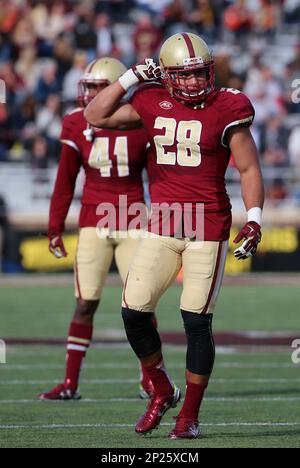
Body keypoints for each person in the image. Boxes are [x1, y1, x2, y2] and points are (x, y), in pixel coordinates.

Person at [84, 33, 264, 439]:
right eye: (183, 76)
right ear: (165, 76)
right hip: (162, 224)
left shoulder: (228, 106)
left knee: (195, 321)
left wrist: (254, 218)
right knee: (133, 311)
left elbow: (249, 169)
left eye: (200, 73)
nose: (194, 83)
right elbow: (95, 116)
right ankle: (162, 390)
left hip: (208, 227)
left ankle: (190, 416)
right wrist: (129, 77)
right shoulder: (149, 99)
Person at [39, 57, 155, 401]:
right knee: (85, 303)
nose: (87, 92)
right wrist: (54, 227)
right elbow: (65, 180)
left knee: (140, 305)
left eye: (94, 87)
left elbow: (159, 176)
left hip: (134, 218)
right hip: (93, 220)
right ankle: (71, 382)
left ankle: (150, 379)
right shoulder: (76, 122)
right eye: (86, 86)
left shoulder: (140, 119)